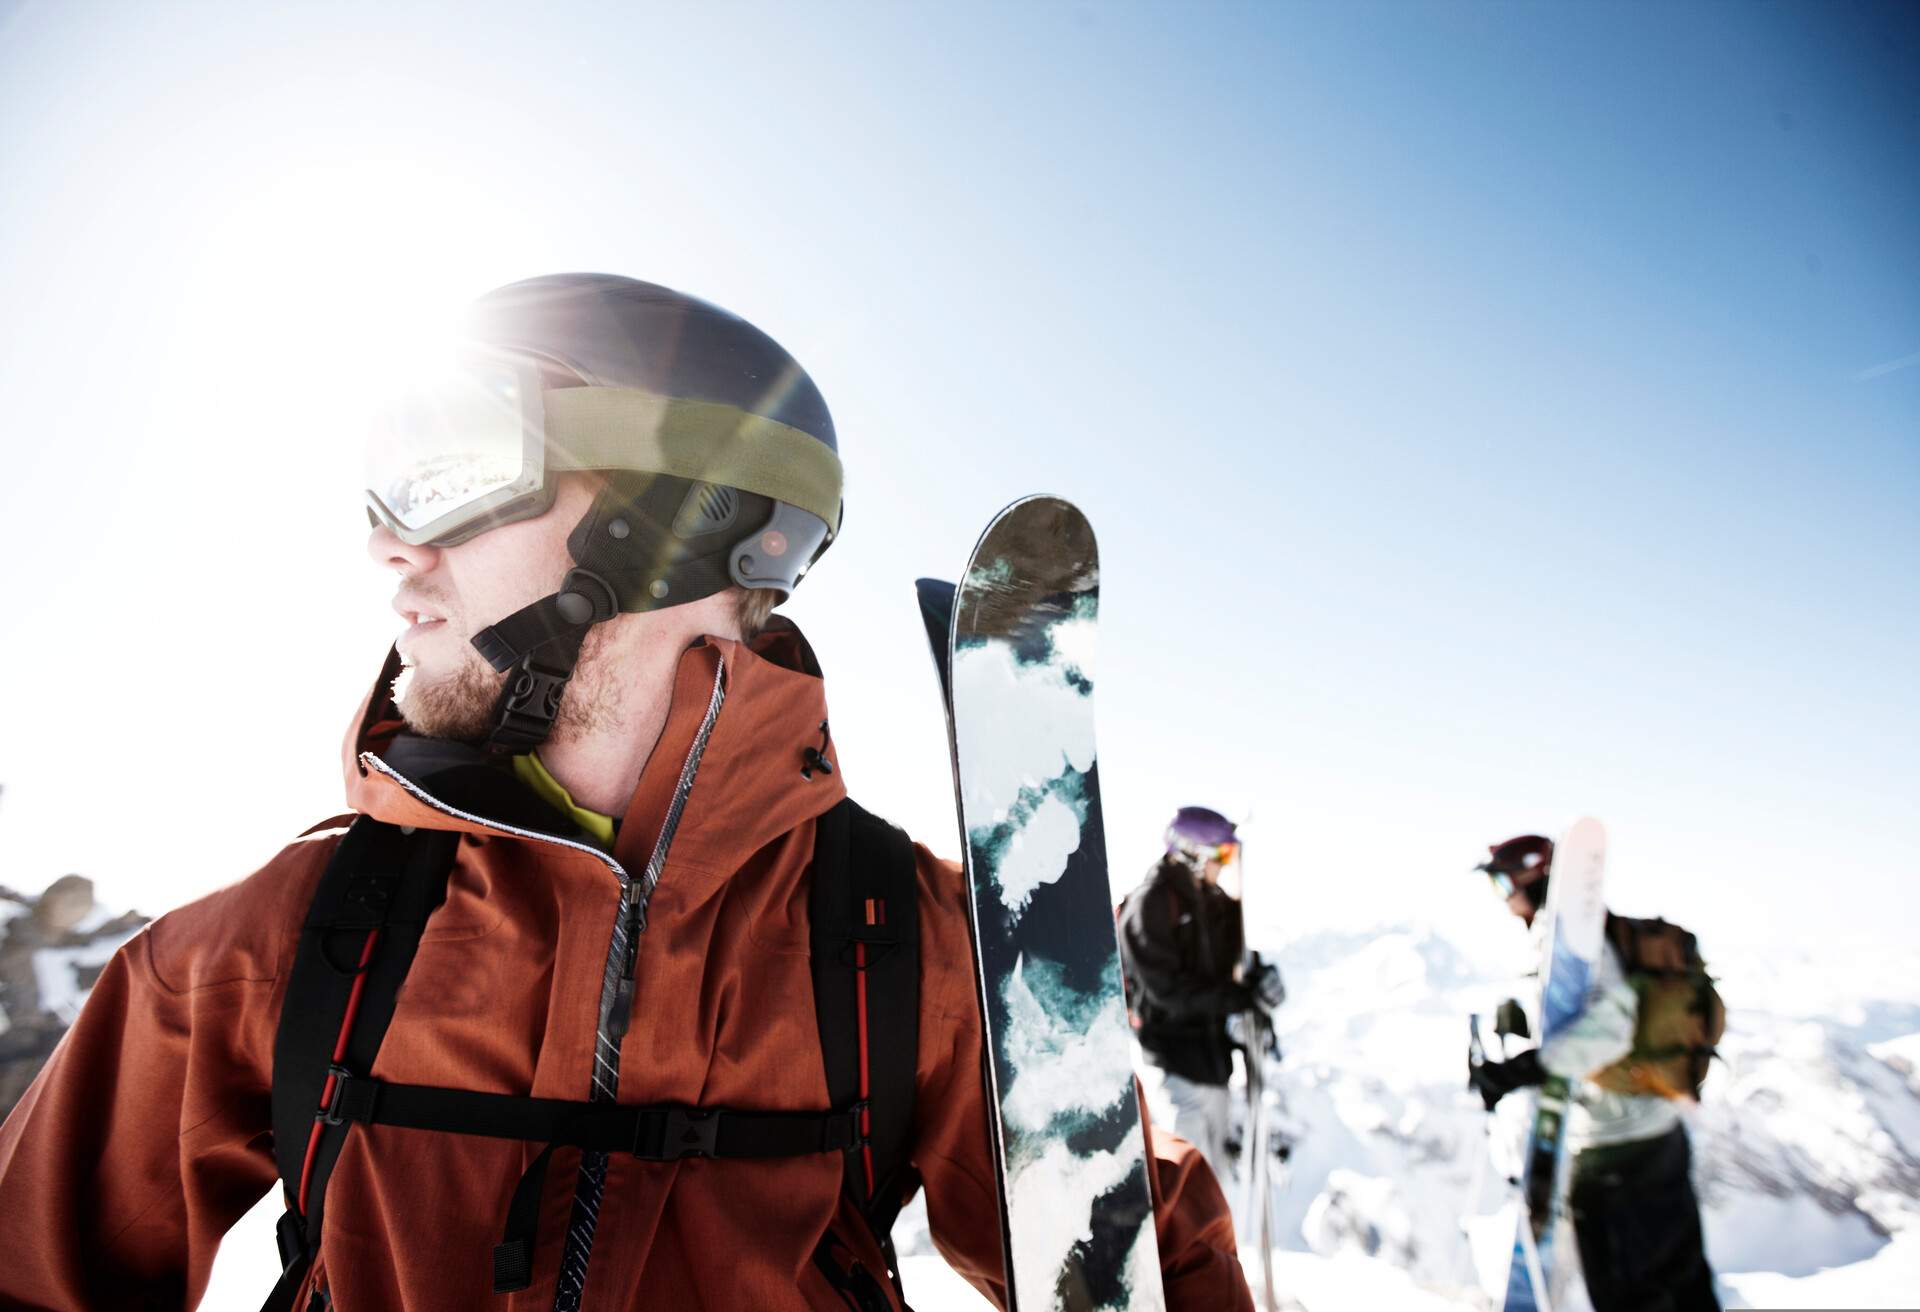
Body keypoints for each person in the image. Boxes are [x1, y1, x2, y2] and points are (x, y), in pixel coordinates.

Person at [0, 274, 1253, 1311]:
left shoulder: (901, 952)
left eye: (447, 472)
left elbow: (1144, 1263)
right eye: (383, 490)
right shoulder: (274, 949)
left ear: (676, 523)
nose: (388, 543)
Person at [1468, 833, 1721, 1312]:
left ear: (1531, 876)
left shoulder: (1570, 937)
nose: (1502, 900)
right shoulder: (1591, 933)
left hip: (1616, 1155)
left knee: (1634, 1295)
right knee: (1682, 1286)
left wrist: (1528, 1068)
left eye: (1503, 883)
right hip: (1654, 1135)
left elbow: (1613, 1027)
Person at [1118, 806, 1283, 1184]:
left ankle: (1219, 1244)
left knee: (1215, 1183)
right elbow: (1168, 993)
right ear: (1192, 853)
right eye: (1220, 855)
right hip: (1175, 1066)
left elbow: (1237, 961)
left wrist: (1262, 982)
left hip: (1213, 1065)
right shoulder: (1152, 905)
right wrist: (1241, 998)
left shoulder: (1211, 902)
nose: (1224, 865)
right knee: (1190, 1184)